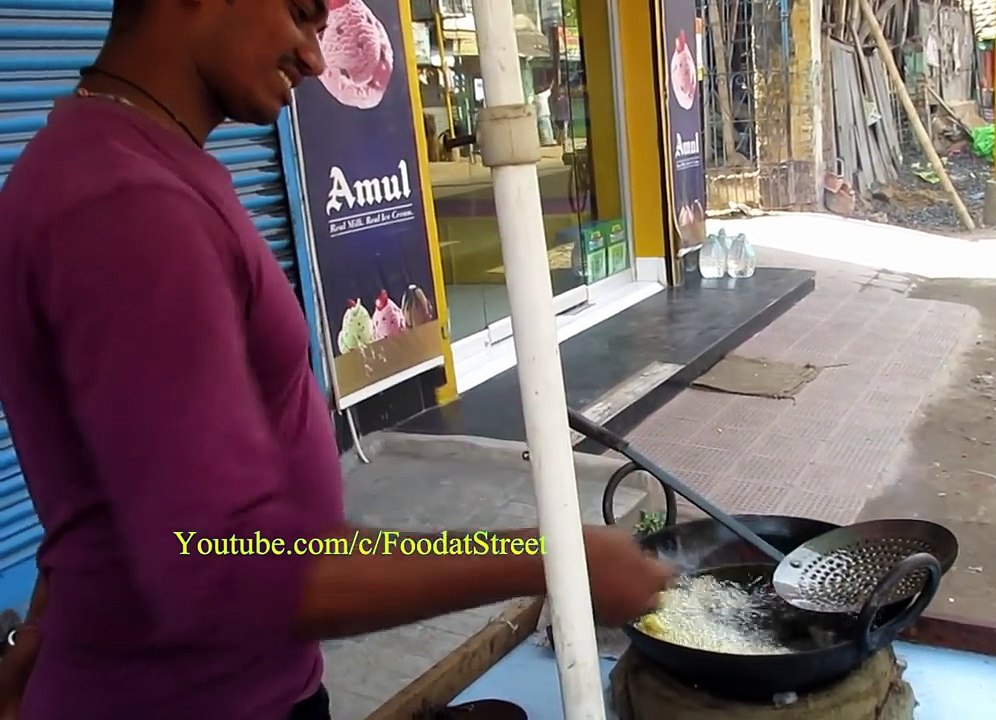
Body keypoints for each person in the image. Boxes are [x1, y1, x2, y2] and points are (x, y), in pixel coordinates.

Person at [0, 1, 673, 719]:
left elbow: (115, 494)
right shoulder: (130, 207)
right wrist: (551, 557)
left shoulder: (110, 162)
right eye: (298, 14)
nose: (316, 59)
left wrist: (39, 630)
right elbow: (228, 567)